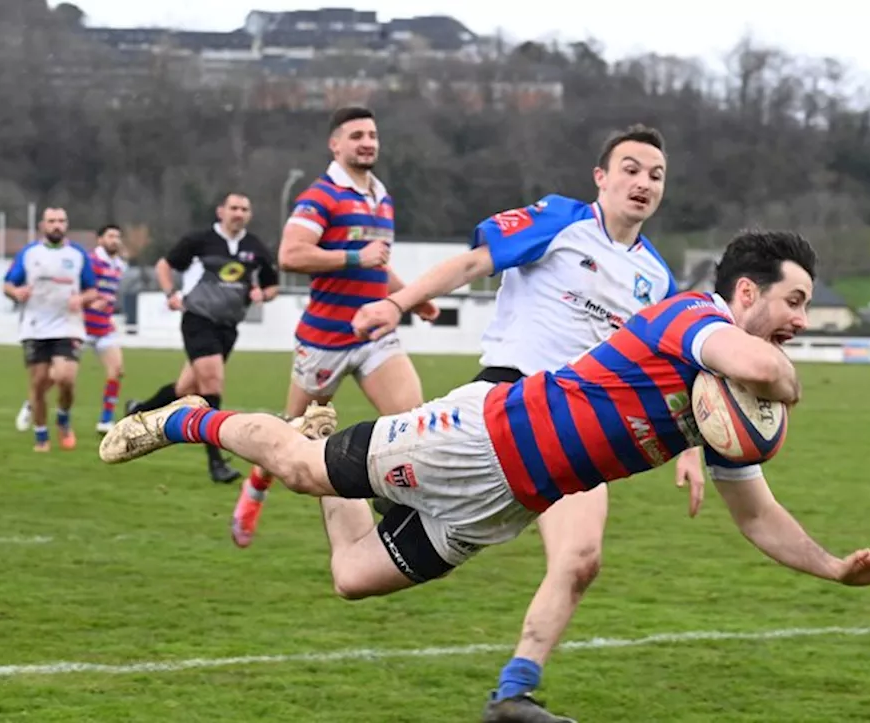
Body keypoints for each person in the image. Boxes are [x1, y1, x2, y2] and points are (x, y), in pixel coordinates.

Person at [100, 230, 870, 723]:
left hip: (511, 502)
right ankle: (180, 419)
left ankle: (317, 431)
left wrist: (836, 567)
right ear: (745, 291)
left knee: (353, 575)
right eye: (794, 301)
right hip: (482, 439)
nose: (802, 322)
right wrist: (789, 379)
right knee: (305, 470)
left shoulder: (726, 400)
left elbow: (759, 515)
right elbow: (751, 358)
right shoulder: (692, 318)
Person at [348, 123, 705, 712]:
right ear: (602, 177)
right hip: (504, 405)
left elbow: (669, 374)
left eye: (656, 175)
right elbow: (472, 264)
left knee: (582, 559)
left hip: (581, 431)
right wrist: (396, 302)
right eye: (632, 169)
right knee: (360, 554)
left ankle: (514, 693)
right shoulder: (561, 221)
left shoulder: (658, 280)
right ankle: (362, 478)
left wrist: (689, 450)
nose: (643, 183)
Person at [231, 106, 439, 545]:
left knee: (412, 423)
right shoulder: (320, 197)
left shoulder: (381, 196)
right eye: (357, 135)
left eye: (373, 134)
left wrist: (411, 298)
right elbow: (290, 255)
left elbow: (375, 265)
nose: (368, 142)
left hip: (376, 335)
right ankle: (256, 485)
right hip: (326, 339)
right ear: (336, 144)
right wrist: (351, 257)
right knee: (292, 431)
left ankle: (397, 503)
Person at [123, 193, 279, 482]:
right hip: (198, 319)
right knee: (212, 383)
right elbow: (163, 265)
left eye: (244, 209)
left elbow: (272, 287)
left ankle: (137, 412)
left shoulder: (255, 247)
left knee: (186, 389)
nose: (239, 213)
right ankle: (216, 463)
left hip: (228, 326)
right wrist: (171, 293)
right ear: (221, 211)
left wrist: (262, 294)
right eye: (233, 208)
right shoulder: (200, 241)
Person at [15, 223, 127, 434]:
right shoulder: (90, 261)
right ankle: (32, 403)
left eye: (118, 236)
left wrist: (108, 313)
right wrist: (88, 303)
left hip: (103, 327)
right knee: (56, 377)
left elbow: (108, 296)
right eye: (110, 236)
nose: (115, 240)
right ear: (100, 239)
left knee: (117, 370)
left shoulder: (119, 265)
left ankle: (105, 420)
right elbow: (78, 290)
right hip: (80, 326)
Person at [3, 207, 99, 452]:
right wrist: (17, 292)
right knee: (38, 383)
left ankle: (64, 418)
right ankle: (41, 436)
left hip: (68, 325)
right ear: (42, 225)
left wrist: (82, 299)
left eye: (61, 221)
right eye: (52, 221)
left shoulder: (77, 254)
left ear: (66, 225)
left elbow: (92, 289)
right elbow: (8, 284)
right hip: (35, 326)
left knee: (66, 378)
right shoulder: (29, 253)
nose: (57, 225)